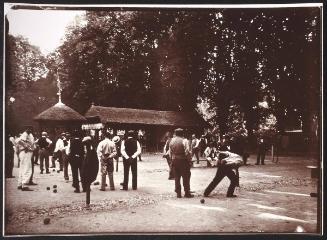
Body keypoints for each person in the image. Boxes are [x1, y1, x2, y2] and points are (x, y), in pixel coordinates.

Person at [169, 128, 193, 198]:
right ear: (182, 134)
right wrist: (189, 161)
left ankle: (178, 193)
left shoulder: (171, 141)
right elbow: (187, 152)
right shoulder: (184, 141)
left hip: (175, 160)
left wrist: (171, 161)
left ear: (175, 133)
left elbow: (170, 152)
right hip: (183, 161)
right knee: (186, 176)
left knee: (177, 177)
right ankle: (187, 192)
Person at [16, 126, 36, 191]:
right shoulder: (25, 134)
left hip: (25, 153)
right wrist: (26, 146)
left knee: (22, 168)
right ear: (26, 129)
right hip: (25, 152)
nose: (30, 130)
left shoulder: (29, 135)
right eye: (29, 129)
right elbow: (18, 141)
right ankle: (24, 185)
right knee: (27, 168)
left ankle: (20, 184)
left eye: (31, 129)